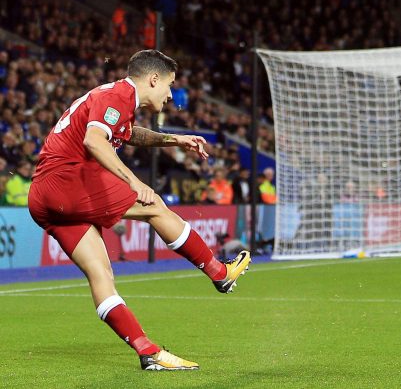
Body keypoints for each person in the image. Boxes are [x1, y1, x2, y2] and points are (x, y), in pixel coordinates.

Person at [27, 50, 251, 371]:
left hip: (44, 197)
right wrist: (134, 181)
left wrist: (174, 139)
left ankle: (148, 351)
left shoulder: (117, 100)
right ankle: (219, 273)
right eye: (170, 85)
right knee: (155, 205)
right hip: (67, 181)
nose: (171, 94)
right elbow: (94, 141)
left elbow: (130, 134)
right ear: (154, 79)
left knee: (101, 273)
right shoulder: (118, 95)